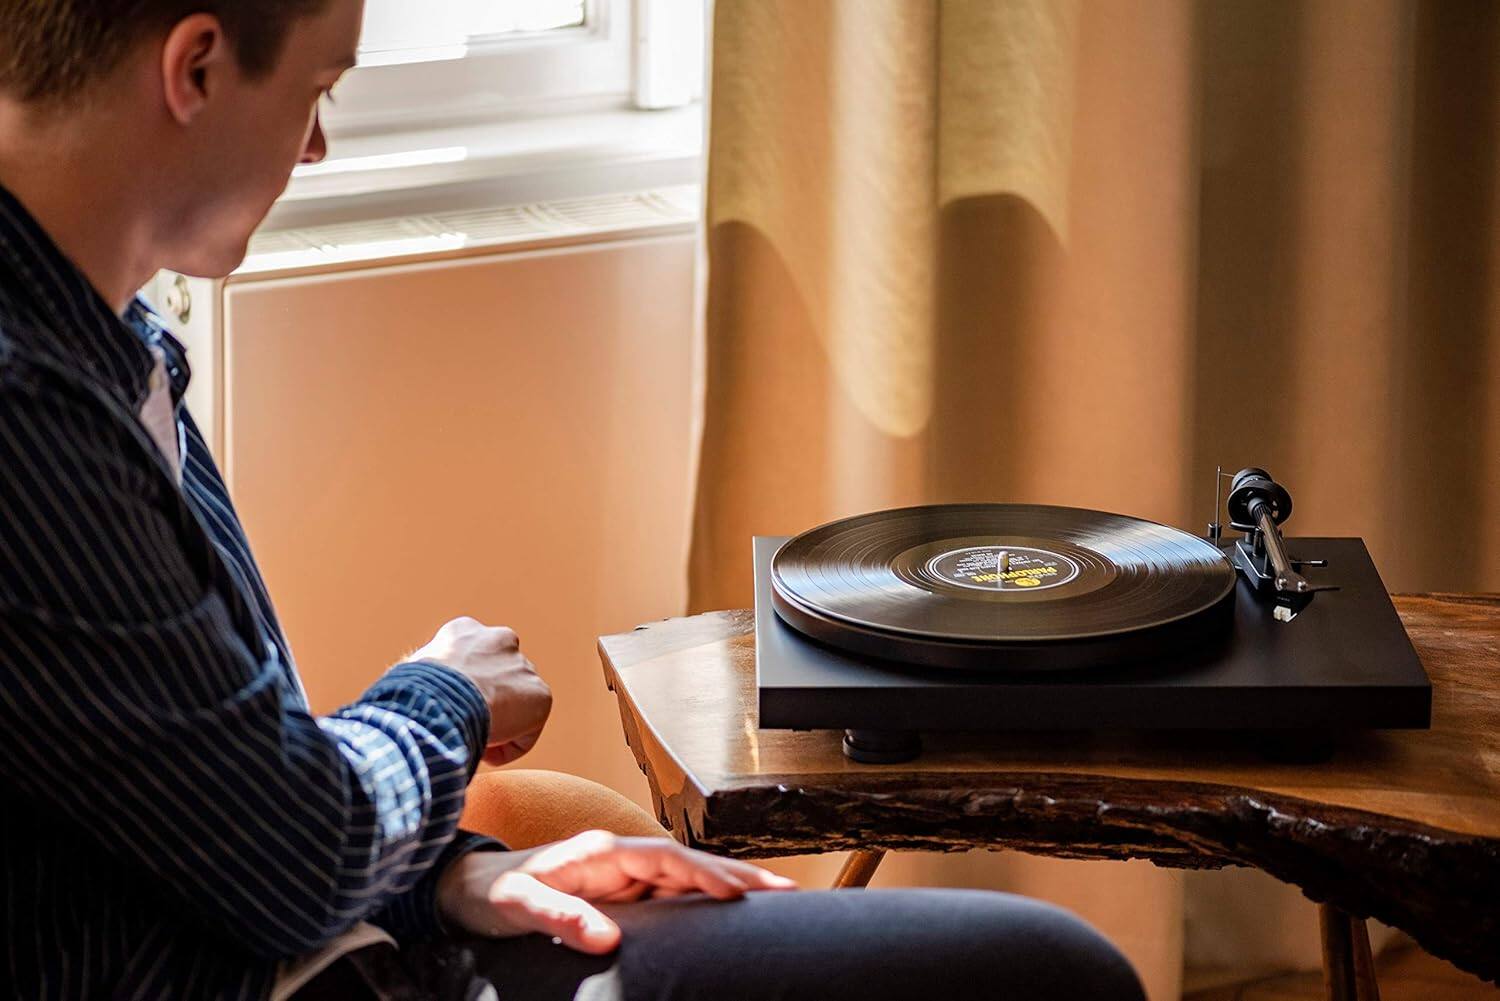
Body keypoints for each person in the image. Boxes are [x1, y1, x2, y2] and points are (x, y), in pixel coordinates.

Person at [0, 2, 1147, 999]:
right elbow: (287, 848)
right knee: (1046, 970)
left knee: (1027, 961)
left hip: (344, 933)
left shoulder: (111, 339)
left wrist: (455, 875)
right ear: (194, 68)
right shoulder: (31, 412)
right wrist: (445, 692)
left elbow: (186, 793)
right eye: (316, 85)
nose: (315, 143)